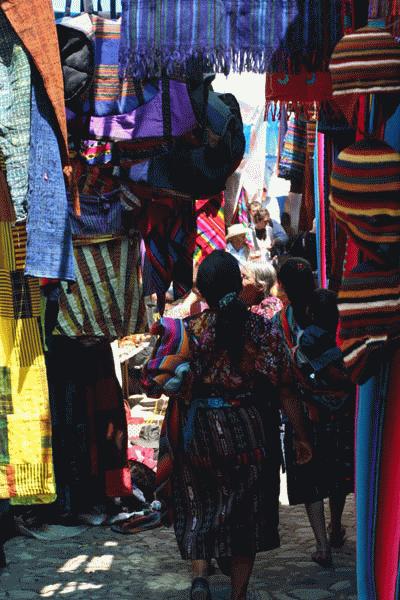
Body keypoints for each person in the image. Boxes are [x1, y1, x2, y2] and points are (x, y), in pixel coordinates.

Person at [148, 251, 312, 600]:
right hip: (249, 429)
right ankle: (239, 594)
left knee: (199, 502)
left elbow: (160, 381)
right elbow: (284, 386)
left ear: (202, 291)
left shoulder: (190, 330)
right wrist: (300, 435)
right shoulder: (261, 329)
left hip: (201, 430)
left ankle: (199, 578)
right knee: (245, 513)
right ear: (239, 285)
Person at [273, 258, 355, 568]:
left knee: (310, 475)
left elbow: (280, 368)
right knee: (336, 471)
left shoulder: (280, 322)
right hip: (339, 407)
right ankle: (335, 525)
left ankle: (322, 543)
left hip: (302, 411)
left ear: (283, 287)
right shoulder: (331, 306)